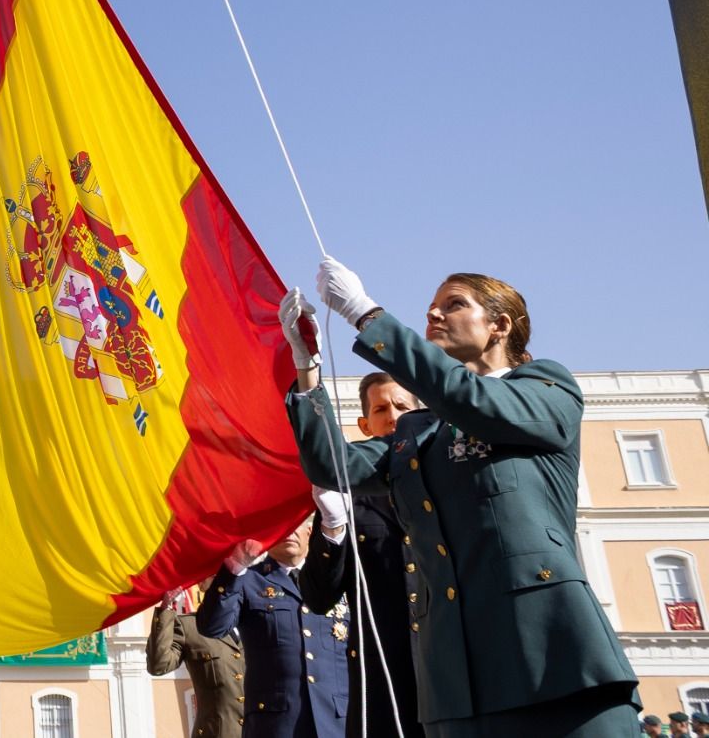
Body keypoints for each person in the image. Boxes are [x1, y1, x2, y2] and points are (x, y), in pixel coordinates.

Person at [278, 259, 640, 736]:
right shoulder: (416, 432)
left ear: (500, 326)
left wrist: (367, 315)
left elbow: (471, 400)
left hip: (551, 657)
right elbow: (333, 466)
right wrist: (307, 368)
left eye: (453, 305)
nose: (433, 315)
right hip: (456, 678)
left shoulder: (546, 388)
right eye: (430, 307)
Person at [296, 373, 423, 737]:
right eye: (381, 409)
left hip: (450, 671)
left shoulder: (445, 482)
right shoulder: (353, 498)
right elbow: (319, 596)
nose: (393, 417)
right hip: (384, 682)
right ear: (365, 425)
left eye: (402, 406)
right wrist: (334, 525)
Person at [196, 518, 350, 738]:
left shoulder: (336, 579)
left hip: (338, 723)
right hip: (276, 725)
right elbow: (213, 627)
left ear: (309, 530)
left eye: (295, 523)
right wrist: (235, 568)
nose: (289, 531)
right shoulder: (247, 579)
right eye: (282, 524)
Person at [146, 580, 245, 738]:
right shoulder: (189, 626)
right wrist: (166, 610)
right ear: (202, 585)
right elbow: (159, 665)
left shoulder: (255, 623)